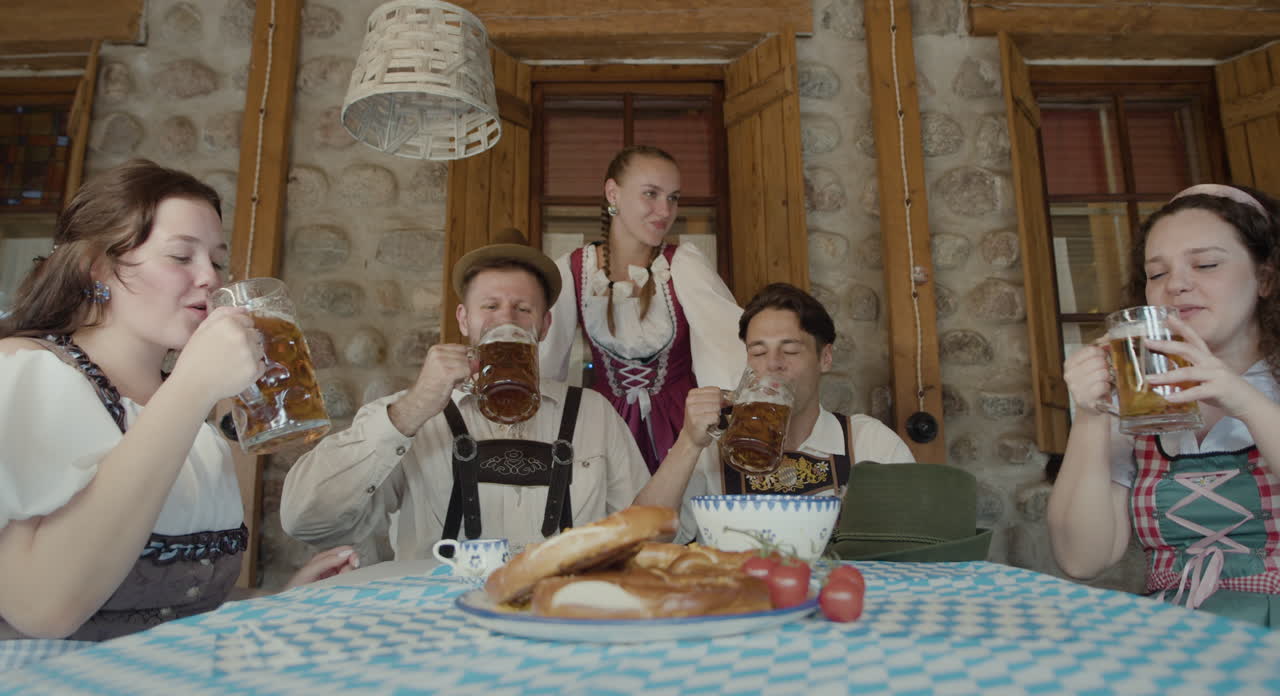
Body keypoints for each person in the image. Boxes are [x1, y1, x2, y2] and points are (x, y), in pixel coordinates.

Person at [0, 160, 357, 642]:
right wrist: (190, 389)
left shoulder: (191, 418)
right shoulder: (28, 372)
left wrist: (278, 605)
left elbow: (167, 612)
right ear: (97, 269)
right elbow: (43, 609)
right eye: (181, 257)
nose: (210, 278)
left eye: (216, 259)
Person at [279, 229, 651, 558]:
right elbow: (305, 520)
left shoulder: (592, 413)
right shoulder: (411, 413)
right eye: (490, 306)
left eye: (523, 309)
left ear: (544, 325)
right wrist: (410, 411)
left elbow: (646, 532)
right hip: (440, 625)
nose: (506, 321)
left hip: (557, 613)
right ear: (464, 319)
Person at [1047, 184, 1280, 627]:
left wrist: (1241, 400)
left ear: (1265, 277)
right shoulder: (1143, 403)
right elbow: (1081, 559)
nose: (1176, 284)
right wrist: (1094, 414)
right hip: (1175, 634)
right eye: (1156, 273)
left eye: (1206, 264)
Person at [635, 282, 915, 543]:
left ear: (825, 358)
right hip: (740, 595)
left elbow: (912, 543)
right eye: (758, 353)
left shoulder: (870, 443)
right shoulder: (711, 449)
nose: (773, 365)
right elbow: (640, 540)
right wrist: (688, 442)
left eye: (790, 351)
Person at [540, 145, 745, 475]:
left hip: (682, 431)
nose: (664, 210)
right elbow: (546, 368)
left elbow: (729, 351)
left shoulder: (684, 265)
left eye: (674, 198)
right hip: (602, 430)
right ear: (613, 194)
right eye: (651, 194)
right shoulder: (572, 270)